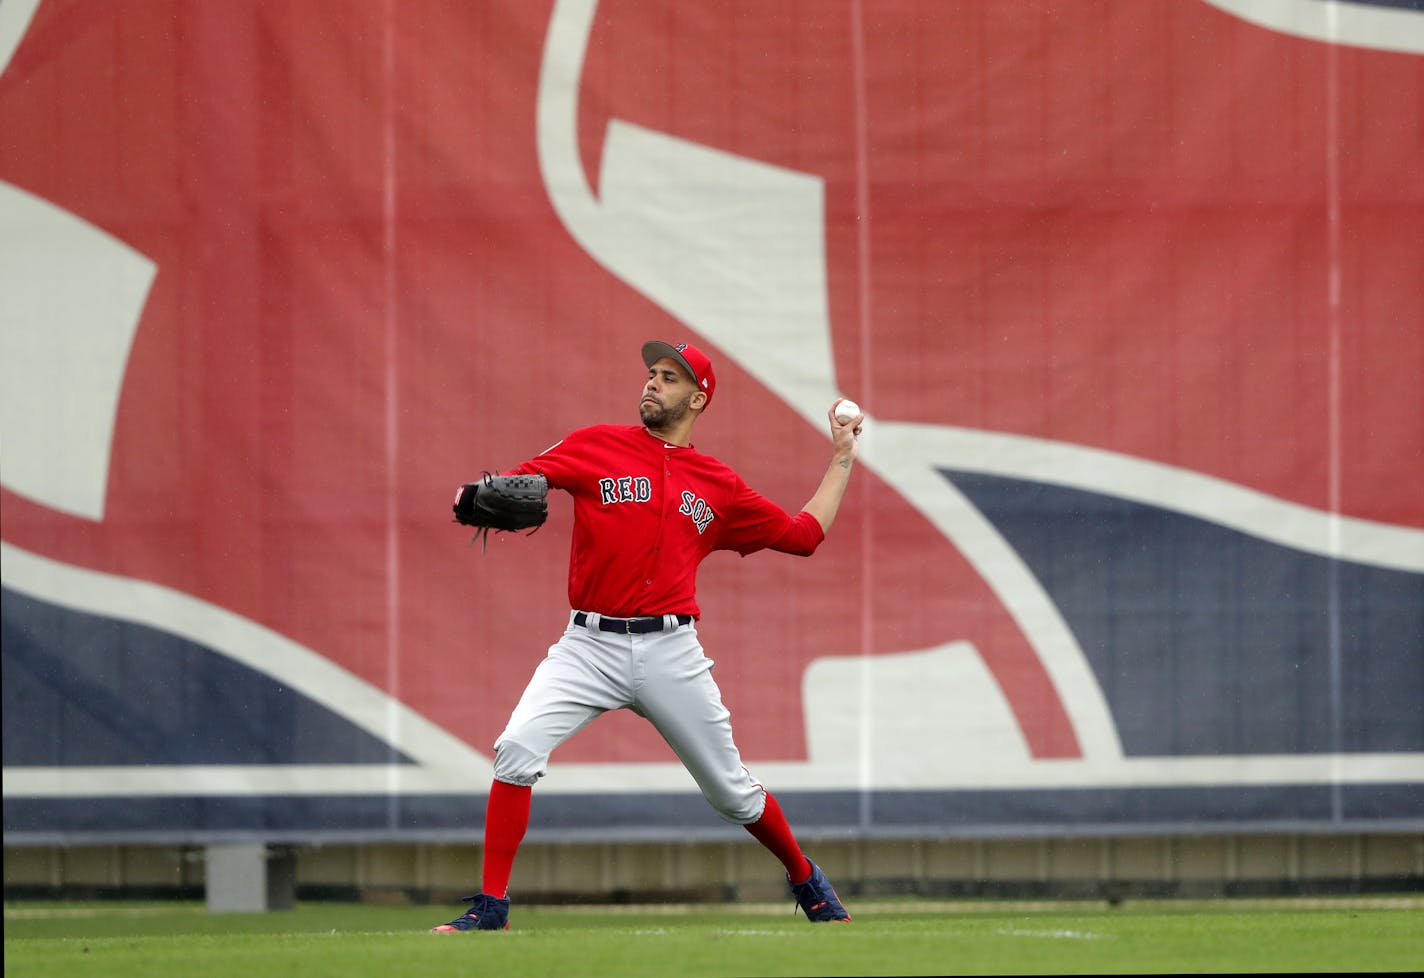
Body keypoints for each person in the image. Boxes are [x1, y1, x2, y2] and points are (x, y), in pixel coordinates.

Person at [431, 340, 863, 932]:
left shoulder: (718, 484)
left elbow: (803, 534)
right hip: (588, 645)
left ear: (698, 397)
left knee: (732, 794)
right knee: (516, 749)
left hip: (671, 650)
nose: (653, 383)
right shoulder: (595, 444)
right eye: (652, 373)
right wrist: (471, 496)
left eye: (670, 377)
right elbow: (521, 481)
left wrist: (842, 457)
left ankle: (804, 876)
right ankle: (491, 907)